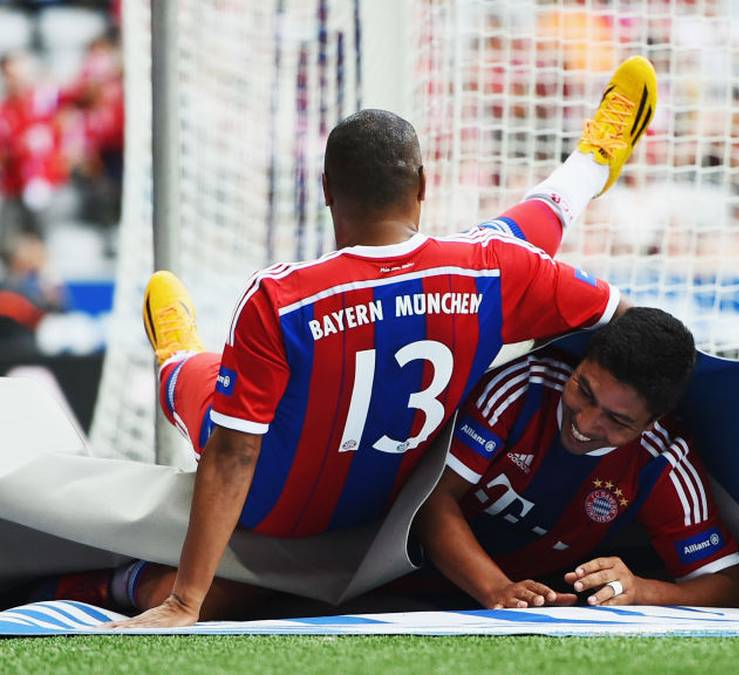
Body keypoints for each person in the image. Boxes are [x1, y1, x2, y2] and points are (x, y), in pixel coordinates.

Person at [57, 56, 659, 628]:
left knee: (199, 383)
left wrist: (187, 599)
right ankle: (589, 164)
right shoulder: (494, 270)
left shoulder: (279, 298)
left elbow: (235, 456)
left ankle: (175, 352)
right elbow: (629, 321)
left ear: (325, 190)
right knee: (513, 240)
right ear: (423, 185)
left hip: (273, 513)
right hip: (388, 500)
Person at [411, 307, 739, 609]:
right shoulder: (521, 387)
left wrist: (641, 590)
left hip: (507, 601)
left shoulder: (663, 460)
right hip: (396, 580)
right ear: (582, 361)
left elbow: (727, 586)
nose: (585, 423)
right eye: (584, 391)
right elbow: (431, 500)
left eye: (617, 420)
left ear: (652, 422)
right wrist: (498, 590)